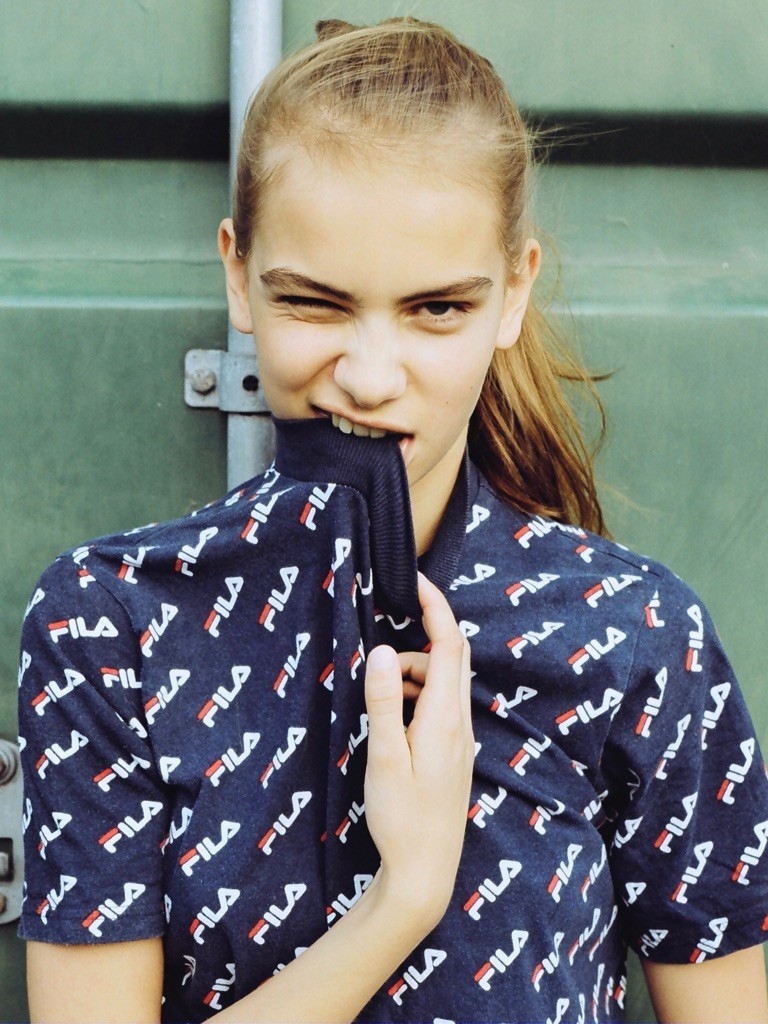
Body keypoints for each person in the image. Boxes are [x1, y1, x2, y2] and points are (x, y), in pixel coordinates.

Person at [17, 17, 768, 1024]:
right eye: (316, 304)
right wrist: (402, 899)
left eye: (437, 309)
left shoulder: (641, 640)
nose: (370, 379)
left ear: (513, 293)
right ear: (238, 274)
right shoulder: (110, 625)